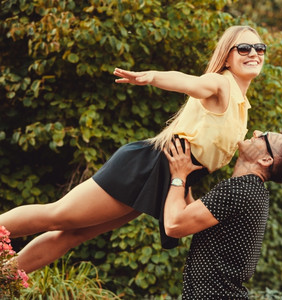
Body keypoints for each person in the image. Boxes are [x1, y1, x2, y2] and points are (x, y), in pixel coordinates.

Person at [0, 25, 266, 273]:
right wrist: (152, 77)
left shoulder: (242, 107)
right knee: (57, 215)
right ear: (228, 57)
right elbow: (190, 82)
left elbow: (196, 159)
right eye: (244, 48)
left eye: (259, 48)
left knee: (75, 235)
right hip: (147, 166)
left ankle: (6, 277)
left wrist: (184, 190)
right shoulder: (221, 84)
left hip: (168, 177)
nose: (253, 53)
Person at [162, 129, 282, 299]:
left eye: (264, 136)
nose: (256, 132)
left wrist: (178, 176)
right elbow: (195, 216)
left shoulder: (239, 190)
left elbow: (174, 224)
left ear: (266, 160)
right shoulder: (253, 191)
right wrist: (185, 178)